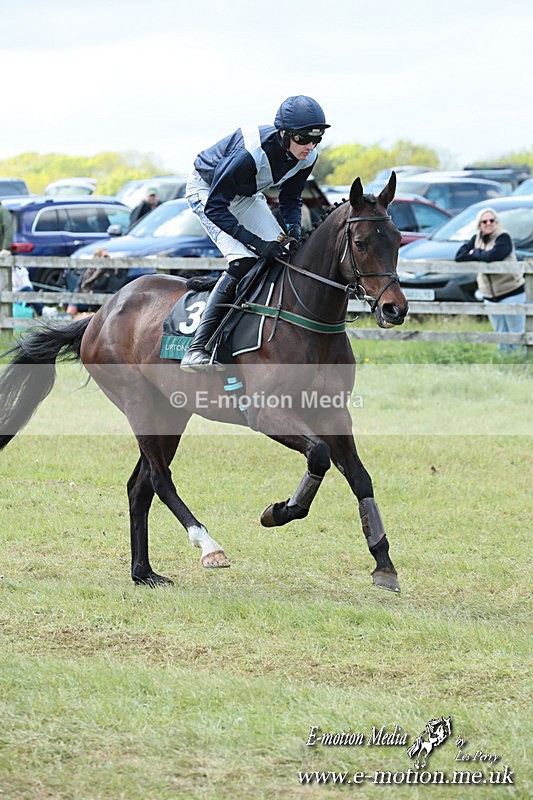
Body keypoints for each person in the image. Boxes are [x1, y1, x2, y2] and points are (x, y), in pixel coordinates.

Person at [180, 95, 330, 372]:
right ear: (284, 134)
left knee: (286, 254)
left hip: (246, 195)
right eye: (303, 139)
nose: (309, 147)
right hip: (208, 193)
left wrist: (293, 232)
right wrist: (258, 244)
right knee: (244, 260)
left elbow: (290, 199)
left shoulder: (306, 156)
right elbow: (216, 207)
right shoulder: (249, 152)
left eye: (316, 140)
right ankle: (198, 348)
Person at [455, 207, 525, 352]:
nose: (488, 223)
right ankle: (504, 362)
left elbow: (494, 256)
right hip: (489, 295)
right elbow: (460, 256)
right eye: (484, 221)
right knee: (499, 333)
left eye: (491, 220)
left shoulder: (503, 237)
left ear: (496, 222)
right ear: (479, 224)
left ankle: (519, 361)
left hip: (511, 291)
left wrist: (476, 252)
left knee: (515, 333)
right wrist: (481, 254)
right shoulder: (476, 238)